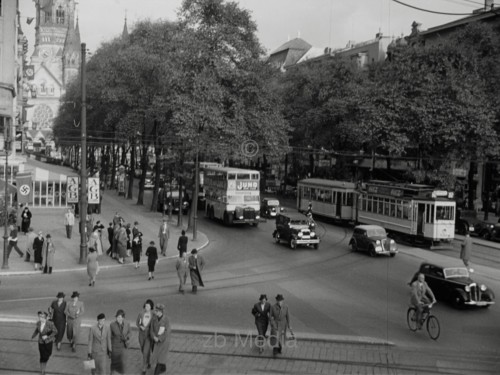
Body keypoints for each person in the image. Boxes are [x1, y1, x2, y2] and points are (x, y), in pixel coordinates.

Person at [31, 310, 58, 375]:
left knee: (48, 354)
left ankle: (44, 364)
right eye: (39, 317)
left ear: (45, 317)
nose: (40, 318)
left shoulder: (50, 323)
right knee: (42, 356)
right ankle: (42, 371)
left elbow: (55, 331)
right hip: (40, 342)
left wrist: (47, 336)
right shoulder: (38, 323)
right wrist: (33, 336)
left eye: (42, 317)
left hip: (48, 342)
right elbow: (37, 330)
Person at [150, 304, 171, 375]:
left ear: (161, 312)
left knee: (160, 358)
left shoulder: (166, 320)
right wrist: (154, 337)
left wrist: (159, 339)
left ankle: (157, 371)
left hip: (163, 342)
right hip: (155, 341)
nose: (156, 312)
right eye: (156, 311)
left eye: (157, 311)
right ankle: (163, 367)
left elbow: (166, 331)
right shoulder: (154, 318)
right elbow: (151, 329)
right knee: (158, 356)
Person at [110, 309, 131, 375]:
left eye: (119, 317)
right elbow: (110, 337)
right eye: (117, 317)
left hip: (124, 347)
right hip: (115, 347)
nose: (118, 319)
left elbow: (130, 333)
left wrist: (127, 337)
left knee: (123, 364)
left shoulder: (127, 324)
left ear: (123, 318)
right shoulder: (112, 325)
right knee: (114, 364)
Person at [136, 299, 154, 374]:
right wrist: (140, 326)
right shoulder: (141, 314)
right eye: (146, 306)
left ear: (151, 307)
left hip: (148, 335)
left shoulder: (153, 315)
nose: (146, 307)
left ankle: (144, 368)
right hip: (141, 335)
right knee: (143, 350)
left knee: (145, 351)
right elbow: (137, 322)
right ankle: (148, 361)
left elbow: (154, 325)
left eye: (148, 306)